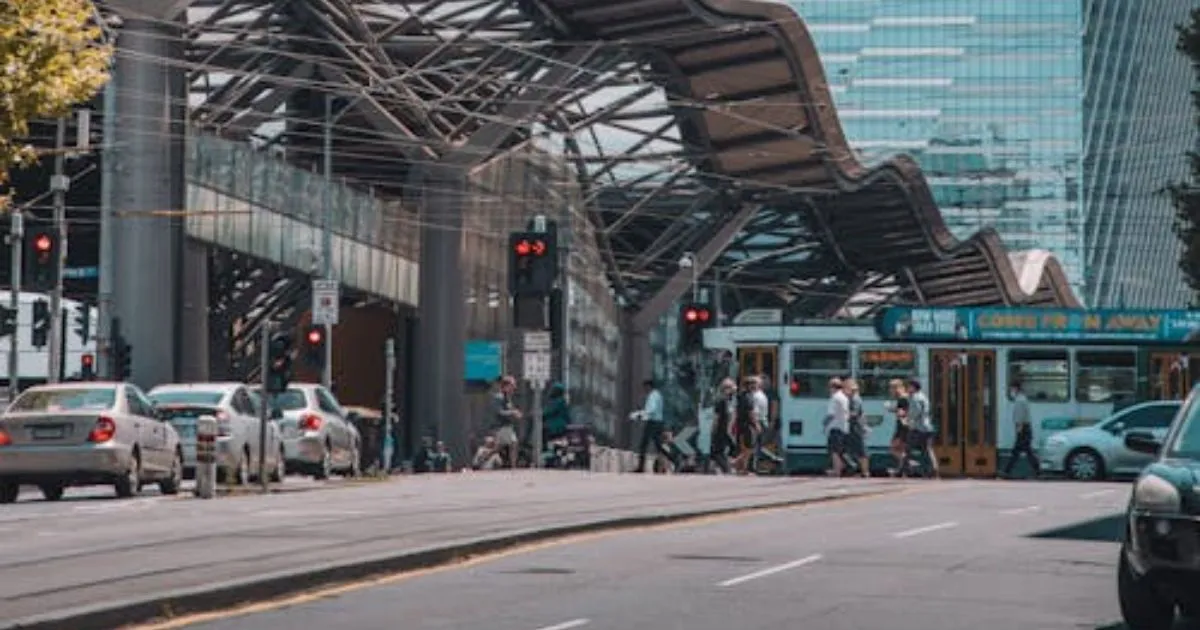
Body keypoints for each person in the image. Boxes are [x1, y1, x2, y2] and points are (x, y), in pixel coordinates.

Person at [1002, 381, 1040, 479]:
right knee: (1025, 451)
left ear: (1016, 389)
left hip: (1023, 430)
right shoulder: (1023, 399)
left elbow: (1019, 418)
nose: (1011, 391)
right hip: (1026, 429)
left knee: (1018, 452)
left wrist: (1019, 431)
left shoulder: (1019, 401)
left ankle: (1007, 471)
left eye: (1012, 389)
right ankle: (1037, 470)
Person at [907, 378, 939, 479]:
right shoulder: (923, 396)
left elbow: (916, 412)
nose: (908, 388)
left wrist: (909, 418)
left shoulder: (915, 397)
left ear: (913, 387)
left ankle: (912, 468)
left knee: (910, 448)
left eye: (909, 386)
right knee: (926, 449)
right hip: (927, 426)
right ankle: (931, 469)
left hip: (919, 427)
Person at [489, 376, 523, 468]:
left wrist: (515, 412)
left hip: (507, 426)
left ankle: (481, 460)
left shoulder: (507, 397)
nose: (514, 388)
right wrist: (513, 412)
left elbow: (508, 409)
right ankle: (513, 466)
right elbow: (499, 412)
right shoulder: (499, 398)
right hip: (501, 426)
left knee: (499, 447)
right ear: (505, 386)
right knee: (513, 443)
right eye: (512, 385)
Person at [633, 379, 665, 473]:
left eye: (645, 387)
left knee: (643, 445)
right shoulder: (658, 395)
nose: (644, 390)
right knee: (658, 446)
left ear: (649, 386)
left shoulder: (653, 396)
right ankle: (673, 460)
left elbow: (651, 410)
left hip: (652, 423)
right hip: (658, 422)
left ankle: (640, 467)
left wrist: (638, 414)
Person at [823, 378, 850, 477]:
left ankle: (836, 470)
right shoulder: (844, 397)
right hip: (843, 426)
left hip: (835, 427)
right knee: (839, 450)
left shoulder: (834, 398)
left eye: (830, 387)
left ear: (833, 387)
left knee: (835, 451)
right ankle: (841, 467)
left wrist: (824, 423)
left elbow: (831, 414)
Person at [709, 378, 736, 474]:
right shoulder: (731, 402)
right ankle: (723, 468)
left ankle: (726, 468)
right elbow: (732, 416)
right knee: (723, 450)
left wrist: (713, 429)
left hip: (720, 429)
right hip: (727, 429)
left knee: (717, 451)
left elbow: (716, 417)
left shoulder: (720, 401)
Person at [843, 378, 869, 477]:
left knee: (860, 449)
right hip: (852, 426)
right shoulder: (851, 398)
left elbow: (854, 413)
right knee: (848, 448)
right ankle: (854, 467)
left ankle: (864, 471)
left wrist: (844, 414)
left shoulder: (855, 399)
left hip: (856, 427)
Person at [886, 379, 911, 477]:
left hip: (902, 427)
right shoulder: (906, 397)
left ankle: (906, 463)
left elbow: (902, 413)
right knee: (901, 449)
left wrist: (891, 409)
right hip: (905, 426)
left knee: (893, 448)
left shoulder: (902, 398)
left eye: (892, 388)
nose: (890, 391)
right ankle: (901, 470)